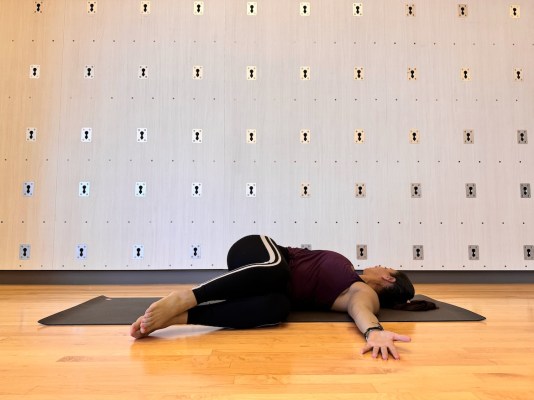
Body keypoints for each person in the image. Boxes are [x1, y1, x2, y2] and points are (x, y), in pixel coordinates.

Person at [130, 235, 417, 360]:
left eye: (385, 266)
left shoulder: (362, 290)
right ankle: (188, 297)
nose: (379, 264)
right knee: (278, 272)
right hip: (260, 251)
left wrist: (373, 332)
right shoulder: (353, 280)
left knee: (277, 309)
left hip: (264, 286)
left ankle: (181, 317)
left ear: (387, 278)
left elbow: (361, 309)